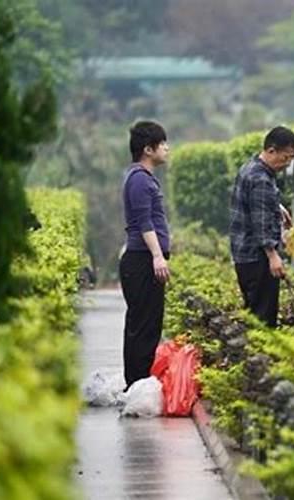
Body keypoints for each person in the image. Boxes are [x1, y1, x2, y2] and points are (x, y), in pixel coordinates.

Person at [229, 126, 294, 327]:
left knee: (253, 314)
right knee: (263, 321)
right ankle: (260, 358)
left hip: (244, 254)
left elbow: (253, 203)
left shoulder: (250, 167)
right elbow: (260, 223)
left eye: (291, 158)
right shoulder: (261, 178)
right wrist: (272, 255)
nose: (287, 163)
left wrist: (276, 207)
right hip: (257, 256)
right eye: (285, 157)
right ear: (271, 151)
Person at [119, 120, 171, 390]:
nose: (167, 148)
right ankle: (137, 385)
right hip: (142, 261)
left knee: (147, 323)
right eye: (162, 144)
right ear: (148, 149)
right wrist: (157, 256)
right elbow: (144, 222)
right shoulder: (140, 178)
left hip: (141, 259)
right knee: (143, 324)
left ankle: (137, 384)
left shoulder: (141, 177)